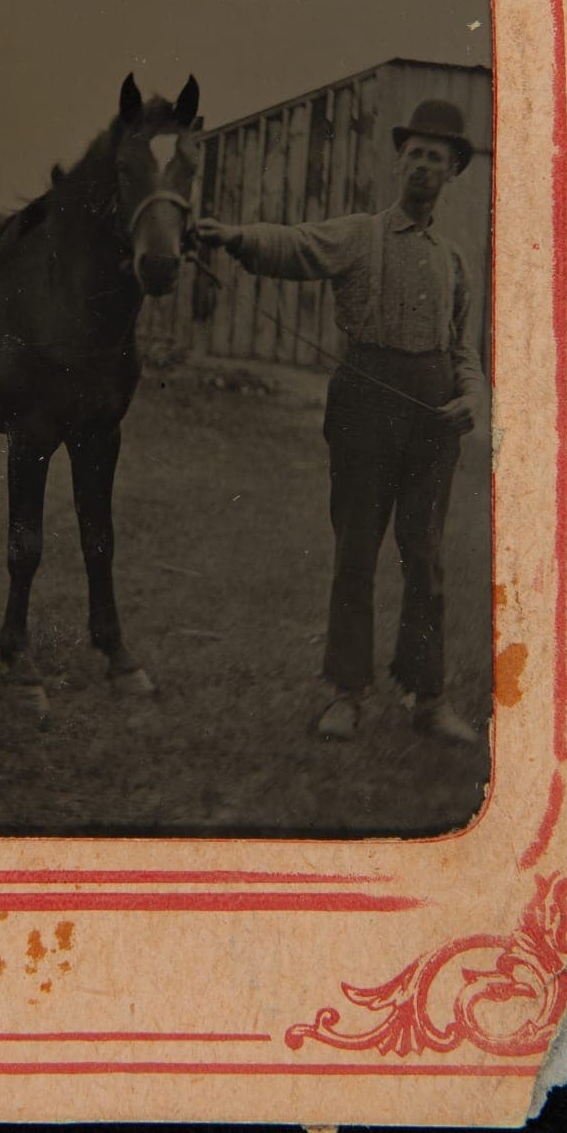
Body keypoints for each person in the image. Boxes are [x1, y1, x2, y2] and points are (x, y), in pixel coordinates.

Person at [195, 98, 486, 745]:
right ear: (398, 161)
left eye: (435, 158)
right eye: (412, 154)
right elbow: (295, 245)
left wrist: (473, 395)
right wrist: (234, 237)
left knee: (427, 557)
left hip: (434, 417)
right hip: (363, 406)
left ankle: (427, 695)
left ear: (453, 171)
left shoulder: (454, 259)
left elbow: (463, 345)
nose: (422, 167)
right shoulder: (359, 234)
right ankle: (346, 692)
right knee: (355, 551)